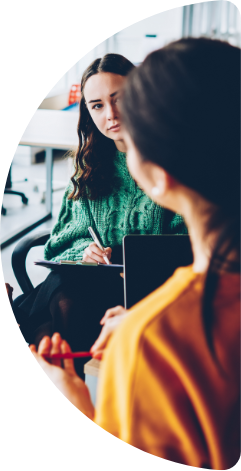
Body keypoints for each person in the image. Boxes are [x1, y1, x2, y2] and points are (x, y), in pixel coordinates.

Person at [29, 37, 241, 468]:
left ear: (158, 175)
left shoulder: (150, 344)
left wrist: (82, 405)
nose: (113, 119)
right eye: (97, 106)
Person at [8, 53, 187, 379]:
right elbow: (62, 242)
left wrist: (129, 260)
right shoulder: (90, 163)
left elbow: (189, 243)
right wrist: (85, 253)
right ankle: (66, 376)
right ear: (88, 112)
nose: (111, 114)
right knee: (68, 288)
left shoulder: (172, 162)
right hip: (87, 283)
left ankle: (62, 371)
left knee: (60, 308)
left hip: (148, 289)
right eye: (98, 105)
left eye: (119, 99)